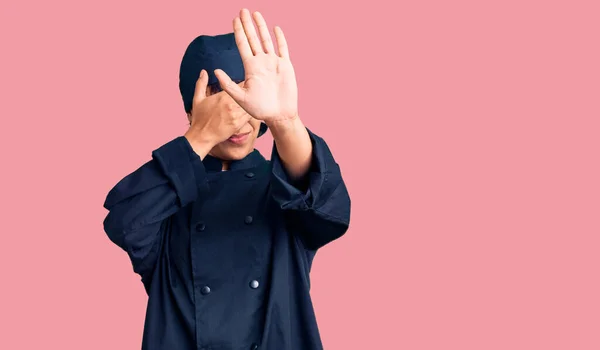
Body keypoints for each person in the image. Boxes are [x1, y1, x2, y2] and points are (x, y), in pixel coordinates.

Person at [103, 8, 351, 350]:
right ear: (191, 111)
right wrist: (200, 137)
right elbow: (124, 223)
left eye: (246, 97)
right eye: (220, 101)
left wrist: (286, 121)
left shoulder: (285, 188)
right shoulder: (167, 197)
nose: (237, 118)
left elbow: (332, 211)